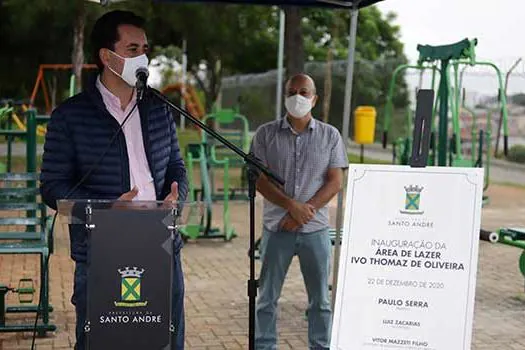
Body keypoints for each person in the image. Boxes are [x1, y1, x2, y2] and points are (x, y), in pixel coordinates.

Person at [39, 10, 188, 350]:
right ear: (107, 56)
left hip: (162, 245)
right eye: (133, 48)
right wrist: (108, 209)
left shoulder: (160, 108)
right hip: (101, 251)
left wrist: (176, 197)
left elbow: (176, 166)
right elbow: (52, 187)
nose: (143, 56)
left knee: (165, 341)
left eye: (145, 48)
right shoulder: (70, 116)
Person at [251, 73, 348, 349]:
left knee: (320, 301)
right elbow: (259, 180)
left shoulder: (330, 135)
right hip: (276, 228)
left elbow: (335, 181)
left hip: (315, 230)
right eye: (292, 92)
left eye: (304, 92)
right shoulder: (266, 134)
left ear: (314, 99)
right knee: (267, 297)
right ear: (285, 97)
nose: (298, 97)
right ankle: (264, 345)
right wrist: (291, 207)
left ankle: (321, 345)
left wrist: (305, 211)